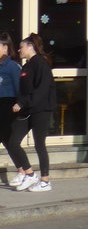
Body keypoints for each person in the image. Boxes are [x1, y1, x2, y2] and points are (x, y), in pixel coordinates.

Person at [10, 34, 56, 192]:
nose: (18, 49)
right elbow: (24, 90)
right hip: (27, 111)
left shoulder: (41, 64)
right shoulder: (27, 66)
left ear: (30, 46)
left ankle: (45, 181)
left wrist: (22, 103)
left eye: (21, 46)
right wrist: (19, 103)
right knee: (13, 142)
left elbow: (41, 90)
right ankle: (30, 174)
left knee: (39, 145)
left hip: (41, 110)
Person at [0, 34, 20, 183]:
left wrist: (19, 105)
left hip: (8, 105)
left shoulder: (12, 66)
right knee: (7, 141)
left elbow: (20, 88)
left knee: (8, 140)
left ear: (5, 47)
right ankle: (24, 170)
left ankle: (25, 171)